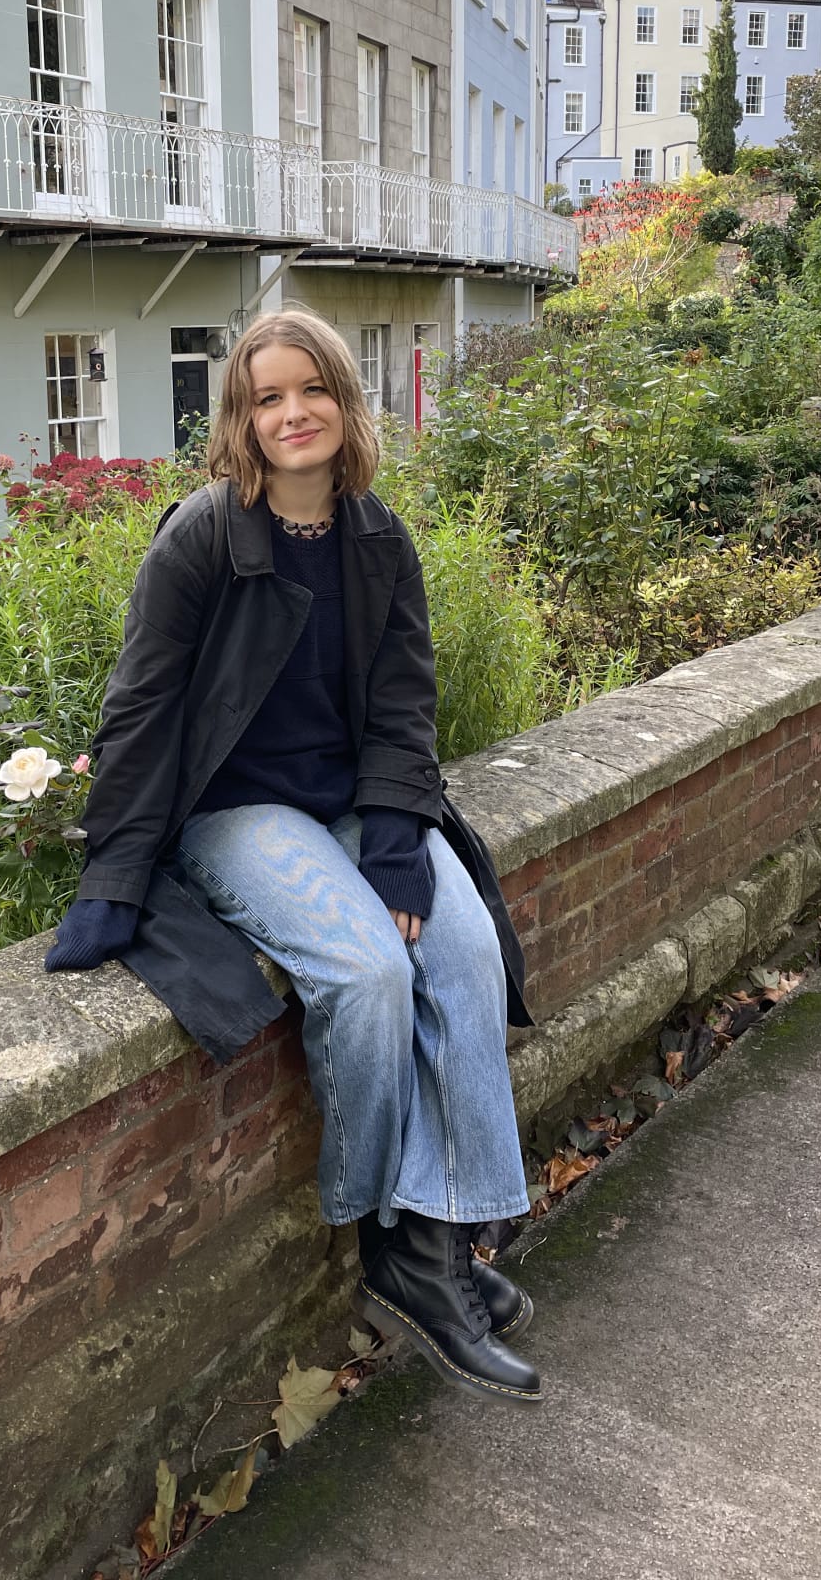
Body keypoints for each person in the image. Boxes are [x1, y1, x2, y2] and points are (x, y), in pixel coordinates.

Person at [44, 309, 540, 1402]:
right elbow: (139, 712)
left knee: (460, 954)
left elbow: (405, 705)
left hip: (360, 804)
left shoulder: (378, 537)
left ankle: (435, 1241)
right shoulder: (204, 539)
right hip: (239, 812)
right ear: (242, 418)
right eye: (266, 397)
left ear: (342, 401)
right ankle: (383, 1226)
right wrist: (113, 877)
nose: (290, 413)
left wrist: (403, 847)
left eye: (308, 389)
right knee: (365, 975)